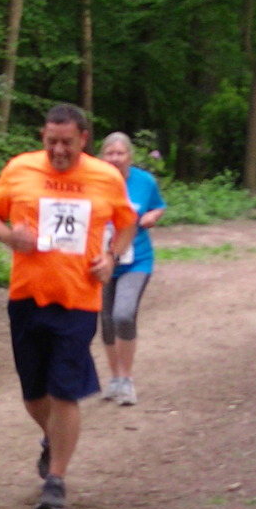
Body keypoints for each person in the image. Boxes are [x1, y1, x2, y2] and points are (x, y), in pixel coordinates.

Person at [0, 104, 137, 509]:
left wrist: (111, 257)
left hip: (78, 299)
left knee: (64, 389)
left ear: (84, 138)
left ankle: (56, 479)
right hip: (26, 296)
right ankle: (53, 436)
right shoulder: (20, 168)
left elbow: (127, 223)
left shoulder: (105, 177)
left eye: (67, 142)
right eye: (52, 142)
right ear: (42, 137)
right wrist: (9, 237)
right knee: (34, 394)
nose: (59, 150)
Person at [96, 132, 166, 406]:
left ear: (129, 157)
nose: (115, 158)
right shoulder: (93, 181)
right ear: (102, 157)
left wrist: (152, 216)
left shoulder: (144, 181)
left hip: (136, 260)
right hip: (101, 261)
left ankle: (126, 379)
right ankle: (115, 378)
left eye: (120, 153)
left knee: (123, 314)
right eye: (109, 153)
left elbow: (158, 206)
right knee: (106, 322)